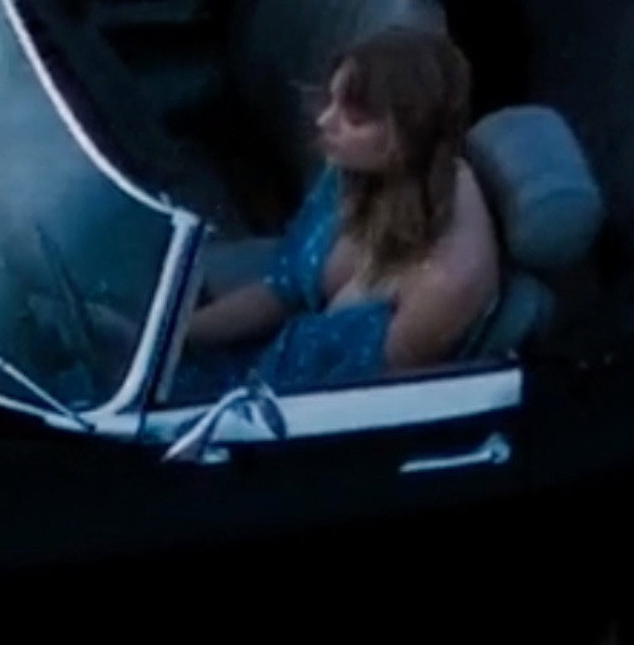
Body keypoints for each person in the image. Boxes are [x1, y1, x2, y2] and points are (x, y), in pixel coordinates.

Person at [172, 25, 503, 402]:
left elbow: (370, 410)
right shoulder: (356, 172)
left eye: (355, 118)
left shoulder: (444, 284)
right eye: (329, 100)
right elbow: (281, 292)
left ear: (408, 133)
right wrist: (176, 336)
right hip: (252, 368)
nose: (324, 122)